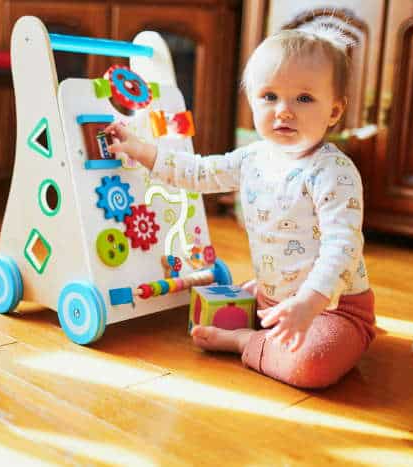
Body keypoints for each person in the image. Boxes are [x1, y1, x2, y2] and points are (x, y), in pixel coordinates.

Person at [105, 23, 375, 389]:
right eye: (269, 96)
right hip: (272, 298)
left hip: (332, 309)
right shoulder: (252, 159)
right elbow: (197, 171)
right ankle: (261, 323)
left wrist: (309, 303)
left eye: (304, 99)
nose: (284, 111)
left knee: (313, 364)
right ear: (251, 102)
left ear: (334, 111)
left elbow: (342, 246)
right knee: (220, 303)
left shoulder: (333, 171)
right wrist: (140, 150)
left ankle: (246, 343)